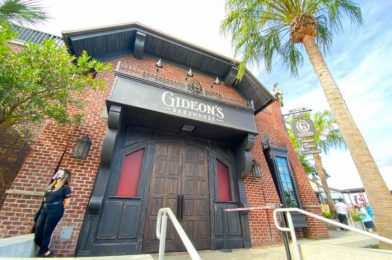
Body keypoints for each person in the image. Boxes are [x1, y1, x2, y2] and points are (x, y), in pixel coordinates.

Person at [34, 169, 72, 257]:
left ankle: (40, 255)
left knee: (47, 232)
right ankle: (47, 252)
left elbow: (66, 204)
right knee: (38, 233)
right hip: (44, 209)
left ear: (64, 176)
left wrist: (56, 209)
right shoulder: (51, 186)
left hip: (55, 210)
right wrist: (39, 212)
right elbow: (43, 201)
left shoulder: (66, 188)